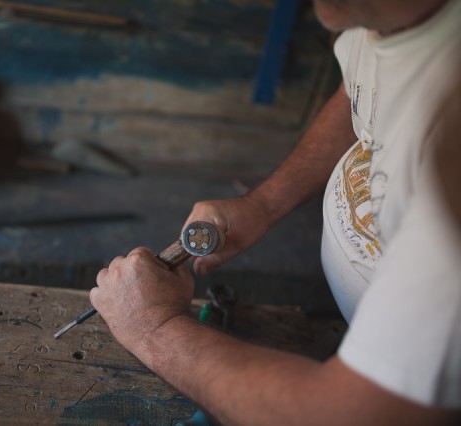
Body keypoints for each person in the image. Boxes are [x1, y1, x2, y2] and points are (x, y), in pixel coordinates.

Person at [90, 0, 461, 424]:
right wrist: (263, 204)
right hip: (369, 338)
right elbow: (360, 91)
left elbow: (343, 415)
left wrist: (154, 328)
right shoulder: (384, 15)